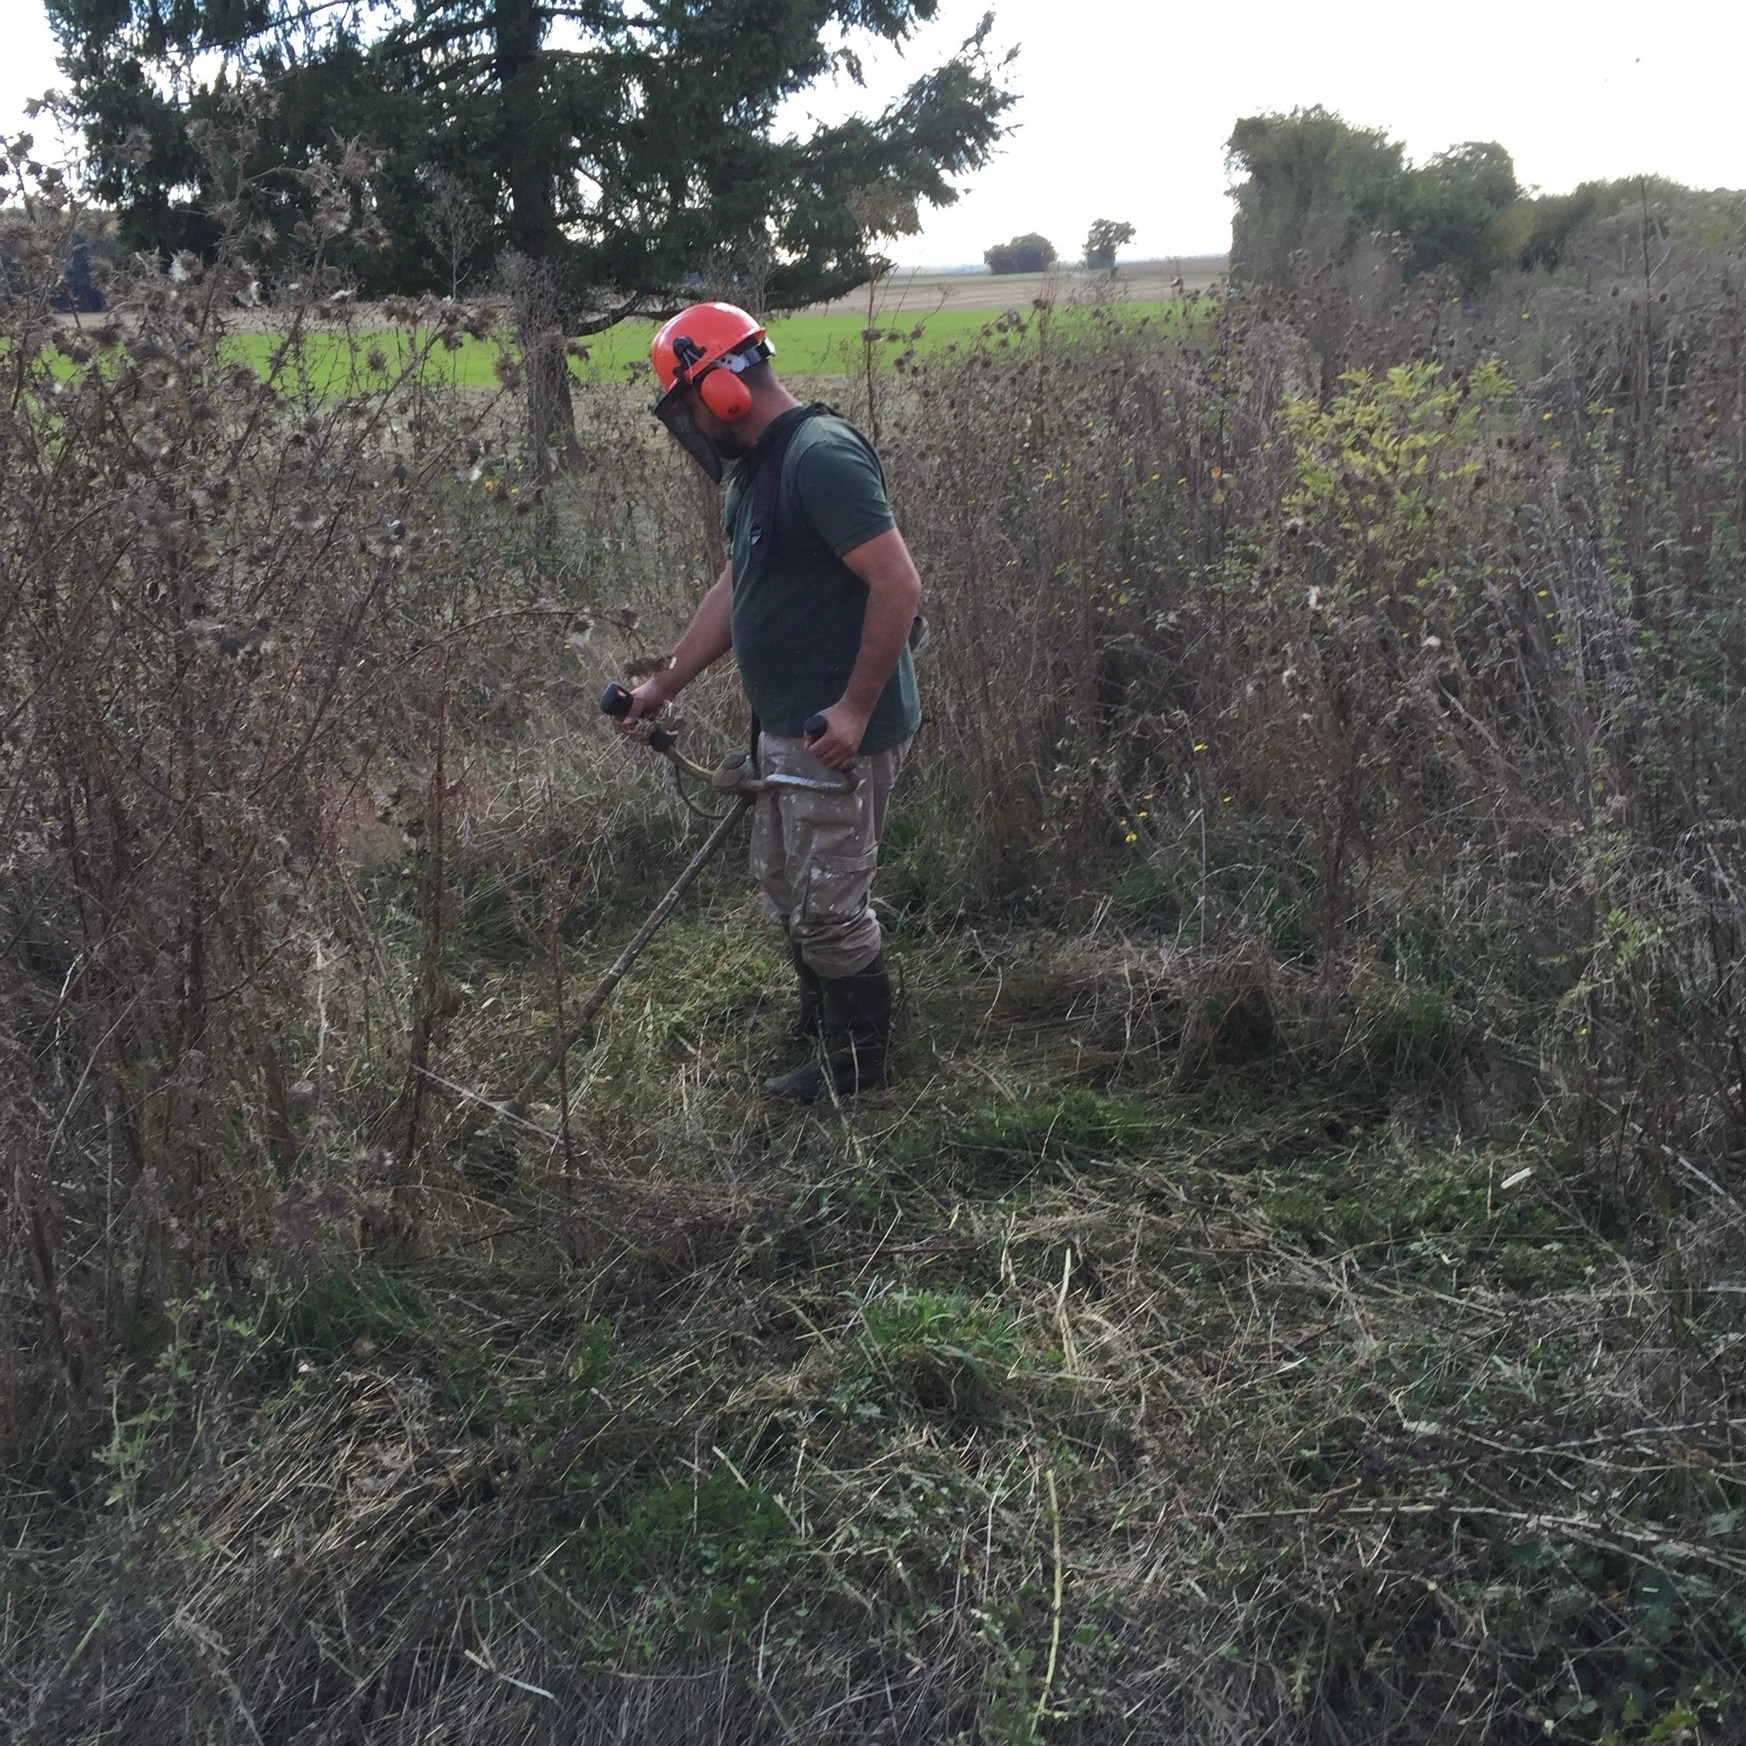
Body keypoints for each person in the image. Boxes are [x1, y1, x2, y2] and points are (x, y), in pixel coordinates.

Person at [617, 301, 922, 1103]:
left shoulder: (820, 456)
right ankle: (821, 1025)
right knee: (787, 887)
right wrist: (661, 685)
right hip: (785, 726)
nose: (687, 425)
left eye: (685, 407)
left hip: (835, 732)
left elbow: (897, 582)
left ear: (720, 389)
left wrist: (853, 710)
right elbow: (737, 585)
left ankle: (860, 1067)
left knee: (830, 905)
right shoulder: (756, 466)